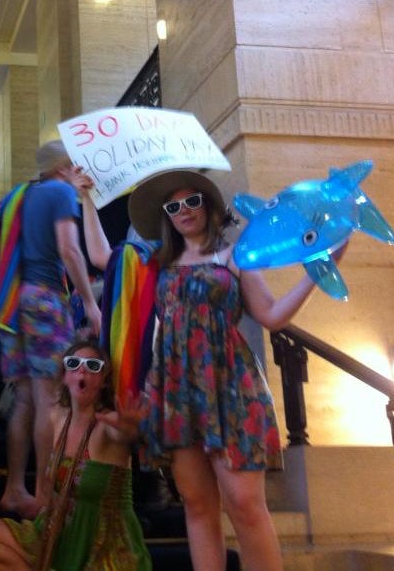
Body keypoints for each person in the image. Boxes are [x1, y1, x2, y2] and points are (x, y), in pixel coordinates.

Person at [79, 169, 344, 571]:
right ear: (165, 215)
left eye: (191, 201)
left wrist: (316, 272)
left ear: (208, 205)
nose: (183, 211)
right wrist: (85, 199)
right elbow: (101, 257)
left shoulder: (235, 256)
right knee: (198, 505)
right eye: (173, 206)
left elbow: (270, 315)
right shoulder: (154, 261)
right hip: (175, 390)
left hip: (231, 385)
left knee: (245, 504)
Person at [0, 141, 101, 519]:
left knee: (25, 398)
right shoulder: (59, 192)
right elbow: (70, 251)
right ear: (64, 166)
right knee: (50, 398)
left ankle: (15, 489)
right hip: (44, 299)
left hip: (11, 305)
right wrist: (89, 304)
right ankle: (45, 495)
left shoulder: (19, 196)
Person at [0, 340, 151, 571]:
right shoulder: (57, 418)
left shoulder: (106, 424)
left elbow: (125, 434)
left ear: (103, 380)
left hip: (102, 543)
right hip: (55, 532)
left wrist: (130, 427)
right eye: (74, 363)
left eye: (93, 365)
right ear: (65, 376)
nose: (82, 369)